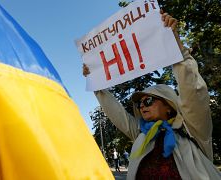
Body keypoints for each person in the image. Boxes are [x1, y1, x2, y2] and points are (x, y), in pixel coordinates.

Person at [83, 11, 221, 180]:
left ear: (169, 106)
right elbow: (117, 114)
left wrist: (177, 48)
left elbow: (192, 92)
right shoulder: (141, 135)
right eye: (140, 103)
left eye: (148, 101)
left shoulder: (193, 130)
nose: (142, 106)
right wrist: (97, 86)